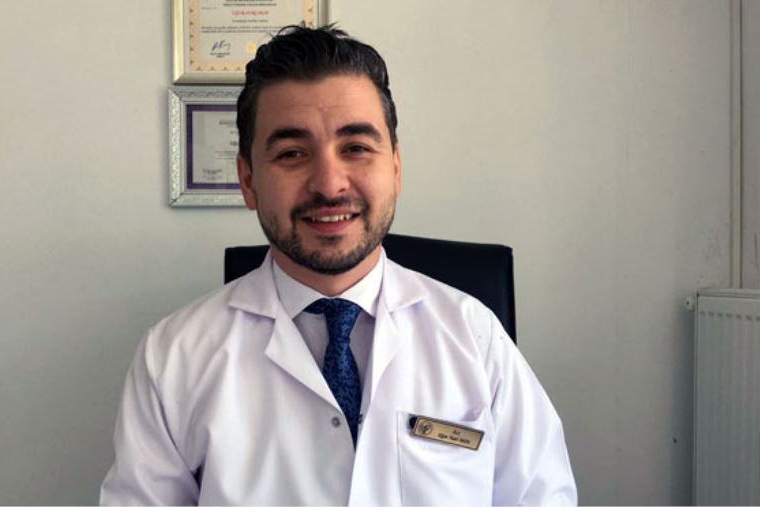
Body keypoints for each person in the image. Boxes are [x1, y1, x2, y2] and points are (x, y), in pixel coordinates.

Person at [100, 25, 577, 505]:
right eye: (292, 154)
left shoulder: (474, 336)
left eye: (356, 148)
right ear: (248, 181)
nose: (329, 184)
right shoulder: (173, 358)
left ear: (395, 168)